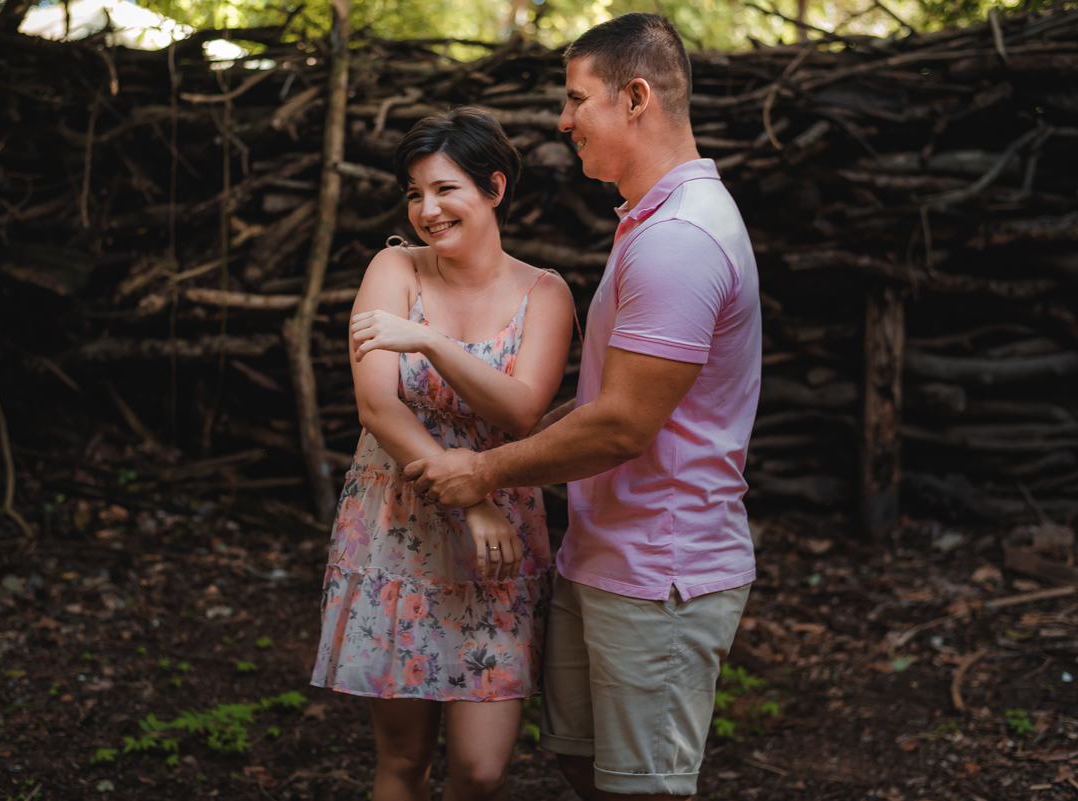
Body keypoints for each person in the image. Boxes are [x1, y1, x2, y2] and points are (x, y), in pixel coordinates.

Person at [404, 13, 762, 801]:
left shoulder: (682, 239)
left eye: (576, 99)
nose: (562, 120)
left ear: (636, 98)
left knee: (642, 786)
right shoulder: (650, 223)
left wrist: (483, 469)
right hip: (605, 554)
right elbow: (602, 402)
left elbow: (623, 425)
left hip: (660, 566)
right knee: (583, 762)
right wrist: (518, 443)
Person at [309, 106, 575, 801]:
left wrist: (427, 341)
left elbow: (521, 409)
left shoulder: (545, 294)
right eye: (414, 192)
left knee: (482, 771)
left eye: (445, 189)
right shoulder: (393, 268)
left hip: (497, 549)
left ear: (494, 187)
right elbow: (378, 407)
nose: (427, 209)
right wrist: (470, 502)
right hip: (400, 533)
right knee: (402, 763)